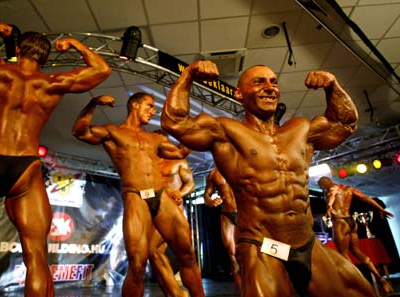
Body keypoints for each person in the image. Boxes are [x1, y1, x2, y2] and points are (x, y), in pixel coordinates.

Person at [161, 61, 377, 296]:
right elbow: (175, 122)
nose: (269, 87)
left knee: (361, 291)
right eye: (259, 82)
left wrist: (332, 86)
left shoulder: (301, 129)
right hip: (263, 246)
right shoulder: (226, 131)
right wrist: (188, 75)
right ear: (239, 94)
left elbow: (345, 123)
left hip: (308, 244)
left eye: (273, 82)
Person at [0, 15, 112, 297]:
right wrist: (74, 44)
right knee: (36, 257)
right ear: (45, 58)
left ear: (19, 50)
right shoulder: (51, 83)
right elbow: (101, 69)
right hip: (25, 169)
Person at [72, 93, 204, 297]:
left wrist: (186, 128)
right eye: (149, 106)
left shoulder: (155, 138)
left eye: (153, 108)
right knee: (137, 263)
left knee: (187, 254)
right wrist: (93, 103)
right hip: (136, 196)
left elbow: (179, 153)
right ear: (135, 105)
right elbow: (79, 132)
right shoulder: (113, 132)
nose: (152, 111)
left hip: (161, 196)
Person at [318, 176, 394, 294]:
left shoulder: (331, 189)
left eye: (321, 187)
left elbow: (332, 195)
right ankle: (380, 279)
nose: (322, 189)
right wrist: (380, 209)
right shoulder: (348, 189)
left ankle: (358, 285)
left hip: (340, 222)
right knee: (357, 252)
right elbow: (365, 198)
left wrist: (329, 205)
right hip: (352, 222)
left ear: (324, 184)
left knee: (344, 256)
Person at [148, 133, 195, 297]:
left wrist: (180, 193)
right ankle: (172, 292)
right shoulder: (150, 164)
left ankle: (180, 292)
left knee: (184, 257)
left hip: (173, 214)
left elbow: (190, 184)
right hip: (153, 213)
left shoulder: (178, 160)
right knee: (154, 254)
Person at [203, 167, 241, 292]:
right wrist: (211, 201)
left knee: (253, 254)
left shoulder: (241, 165)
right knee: (232, 256)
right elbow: (206, 196)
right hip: (226, 214)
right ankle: (243, 293)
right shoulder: (213, 174)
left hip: (245, 213)